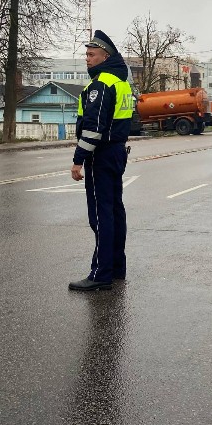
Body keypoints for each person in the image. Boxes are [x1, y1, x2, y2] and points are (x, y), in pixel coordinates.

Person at [69, 30, 134, 291]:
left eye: (91, 54)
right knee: (115, 211)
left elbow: (93, 128)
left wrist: (78, 159)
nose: (87, 59)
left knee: (100, 215)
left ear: (104, 56)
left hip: (101, 155)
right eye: (86, 54)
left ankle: (100, 274)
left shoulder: (100, 84)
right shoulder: (121, 82)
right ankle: (117, 267)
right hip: (117, 151)